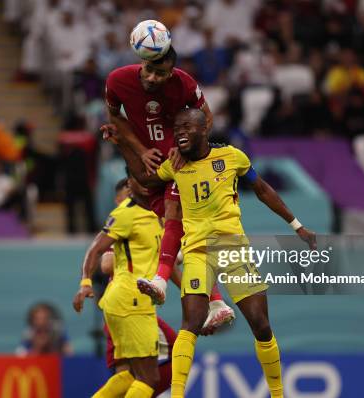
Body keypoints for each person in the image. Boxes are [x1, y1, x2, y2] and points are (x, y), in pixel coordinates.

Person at [115, 108, 317, 398]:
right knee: (192, 322)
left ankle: (278, 394)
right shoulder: (176, 165)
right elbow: (145, 180)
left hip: (232, 247)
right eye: (177, 128)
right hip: (197, 251)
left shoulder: (232, 157)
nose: (180, 132)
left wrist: (297, 225)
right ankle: (178, 394)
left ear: (203, 130)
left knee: (261, 324)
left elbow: (262, 189)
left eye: (187, 127)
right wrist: (122, 142)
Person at [102, 44, 234, 332]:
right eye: (149, 70)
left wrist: (183, 148)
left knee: (178, 225)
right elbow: (115, 117)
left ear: (171, 72)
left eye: (160, 74)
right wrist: (135, 147)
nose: (152, 78)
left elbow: (206, 117)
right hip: (151, 170)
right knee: (177, 236)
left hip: (181, 168)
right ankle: (216, 302)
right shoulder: (117, 80)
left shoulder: (184, 83)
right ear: (142, 63)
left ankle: (182, 290)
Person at [73, 170, 171, 397]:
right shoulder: (126, 214)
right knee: (149, 378)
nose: (146, 184)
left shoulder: (158, 212)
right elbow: (96, 249)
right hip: (131, 301)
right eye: (139, 179)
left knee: (132, 374)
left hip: (131, 301)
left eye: (149, 179)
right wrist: (85, 282)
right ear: (130, 183)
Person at [99, 178, 178, 397]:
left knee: (130, 374)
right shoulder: (123, 220)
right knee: (151, 371)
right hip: (128, 305)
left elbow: (167, 259)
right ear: (119, 198)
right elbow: (105, 263)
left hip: (129, 304)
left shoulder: (151, 218)